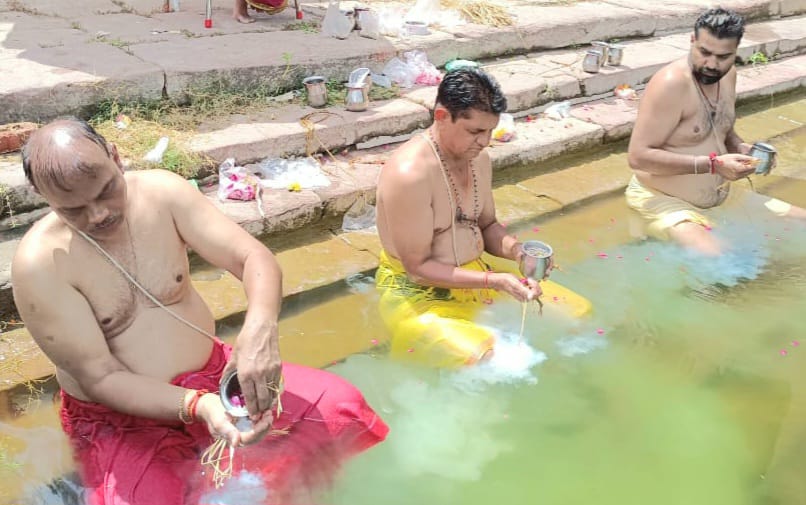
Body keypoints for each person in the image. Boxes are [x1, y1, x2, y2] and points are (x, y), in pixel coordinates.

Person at [11, 118, 388, 505]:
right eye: (74, 209)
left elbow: (250, 257)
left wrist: (260, 329)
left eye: (107, 190)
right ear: (43, 197)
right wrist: (197, 406)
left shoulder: (162, 193)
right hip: (121, 420)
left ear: (116, 157)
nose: (98, 215)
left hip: (215, 377)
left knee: (340, 408)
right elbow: (101, 378)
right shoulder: (39, 264)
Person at [375, 68, 588, 369]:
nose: (485, 141)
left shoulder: (479, 159)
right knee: (491, 361)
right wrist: (495, 281)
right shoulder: (410, 174)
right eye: (475, 131)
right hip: (420, 295)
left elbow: (486, 225)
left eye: (490, 131)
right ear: (441, 116)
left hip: (477, 277)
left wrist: (517, 251)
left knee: (578, 313)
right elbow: (417, 269)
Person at [626, 7, 806, 256]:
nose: (711, 64)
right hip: (664, 201)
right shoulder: (672, 83)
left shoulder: (728, 75)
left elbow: (723, 130)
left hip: (724, 198)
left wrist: (741, 148)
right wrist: (713, 165)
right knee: (727, 265)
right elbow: (638, 157)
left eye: (723, 56)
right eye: (704, 52)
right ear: (692, 40)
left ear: (735, 51)